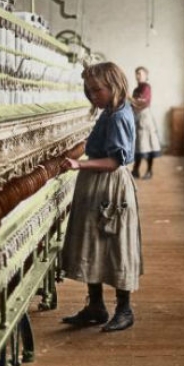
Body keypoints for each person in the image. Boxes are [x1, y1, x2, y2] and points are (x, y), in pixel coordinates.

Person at [60, 62, 143, 332]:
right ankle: (96, 306)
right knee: (92, 243)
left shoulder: (118, 115)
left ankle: (124, 309)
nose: (93, 95)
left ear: (114, 85)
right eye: (89, 90)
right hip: (97, 185)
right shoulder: (110, 111)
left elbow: (114, 162)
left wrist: (79, 165)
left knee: (116, 245)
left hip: (110, 186)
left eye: (97, 90)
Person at [131, 66, 162, 180]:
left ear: (145, 75)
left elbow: (141, 102)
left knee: (148, 145)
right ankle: (135, 170)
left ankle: (149, 171)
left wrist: (132, 100)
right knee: (138, 145)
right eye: (136, 74)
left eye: (140, 73)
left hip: (145, 118)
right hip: (137, 118)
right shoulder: (136, 89)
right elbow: (134, 103)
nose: (138, 76)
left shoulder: (146, 87)